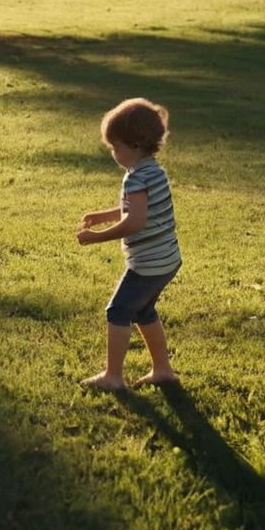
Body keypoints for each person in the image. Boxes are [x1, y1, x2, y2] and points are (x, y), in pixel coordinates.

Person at [76, 98, 181, 391]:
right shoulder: (153, 171)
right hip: (166, 260)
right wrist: (103, 215)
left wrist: (98, 236)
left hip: (147, 264)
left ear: (135, 145)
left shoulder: (137, 178)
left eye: (115, 147)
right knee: (144, 312)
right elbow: (135, 209)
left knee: (118, 310)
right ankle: (163, 370)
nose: (113, 153)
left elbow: (134, 222)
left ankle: (113, 376)